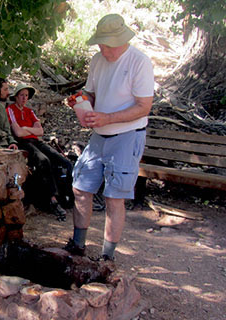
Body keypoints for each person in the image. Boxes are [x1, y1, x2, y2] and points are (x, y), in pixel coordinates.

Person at [65, 14, 154, 261]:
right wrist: (82, 104)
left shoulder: (139, 62)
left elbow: (143, 107)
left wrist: (108, 118)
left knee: (114, 197)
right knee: (80, 187)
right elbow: (92, 94)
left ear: (121, 41)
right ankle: (78, 244)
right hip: (99, 135)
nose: (102, 49)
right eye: (100, 44)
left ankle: (107, 257)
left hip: (127, 135)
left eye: (106, 45)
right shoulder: (97, 60)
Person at [6, 83, 72, 220]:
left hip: (37, 141)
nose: (24, 98)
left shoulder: (30, 111)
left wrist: (27, 128)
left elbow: (40, 131)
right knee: (43, 161)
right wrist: (29, 129)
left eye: (26, 95)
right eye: (21, 95)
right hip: (23, 143)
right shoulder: (10, 110)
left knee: (64, 162)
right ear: (16, 97)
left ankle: (68, 197)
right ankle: (53, 199)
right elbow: (18, 133)